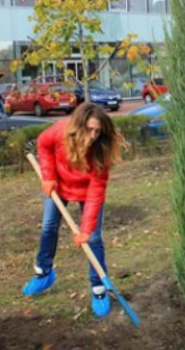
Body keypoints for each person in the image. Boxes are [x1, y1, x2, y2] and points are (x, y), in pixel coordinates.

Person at [21, 103, 126, 318]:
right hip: (58, 185)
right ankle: (44, 273)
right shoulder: (60, 131)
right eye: (89, 129)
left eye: (98, 131)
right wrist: (48, 176)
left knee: (94, 238)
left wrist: (85, 230)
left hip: (87, 192)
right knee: (49, 226)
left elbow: (96, 194)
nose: (94, 135)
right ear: (78, 125)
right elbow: (43, 144)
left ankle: (98, 290)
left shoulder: (101, 153)